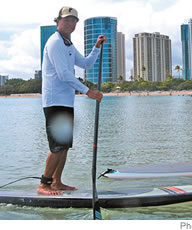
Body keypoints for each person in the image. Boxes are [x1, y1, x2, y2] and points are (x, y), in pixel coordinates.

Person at [38, 6, 107, 195]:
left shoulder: (67, 43)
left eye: (73, 21)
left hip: (67, 102)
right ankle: (44, 184)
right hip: (54, 101)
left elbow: (85, 63)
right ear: (58, 21)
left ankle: (56, 182)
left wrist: (96, 48)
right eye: (66, 20)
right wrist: (87, 91)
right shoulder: (54, 43)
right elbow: (63, 74)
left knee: (65, 146)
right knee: (57, 146)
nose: (70, 23)